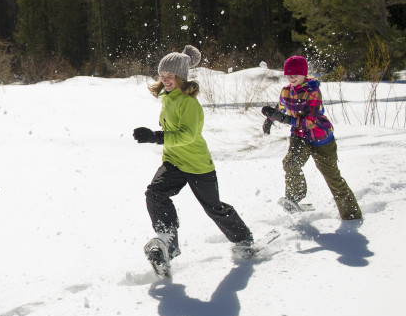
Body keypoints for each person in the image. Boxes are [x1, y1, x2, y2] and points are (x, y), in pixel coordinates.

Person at [133, 45, 257, 272]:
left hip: (197, 164)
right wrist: (157, 136)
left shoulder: (189, 103)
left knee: (213, 207)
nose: (166, 80)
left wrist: (156, 137)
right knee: (155, 193)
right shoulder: (168, 99)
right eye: (162, 76)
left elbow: (188, 135)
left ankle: (244, 239)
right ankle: (168, 241)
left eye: (170, 76)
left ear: (181, 76)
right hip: (174, 161)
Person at [261, 56, 362, 220]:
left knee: (333, 178)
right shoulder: (286, 91)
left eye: (296, 74)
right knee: (290, 163)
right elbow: (281, 107)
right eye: (289, 74)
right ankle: (294, 198)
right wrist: (271, 118)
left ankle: (352, 215)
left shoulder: (312, 91)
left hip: (320, 138)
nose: (292, 77)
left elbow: (310, 121)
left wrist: (285, 120)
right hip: (299, 136)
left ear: (304, 74)